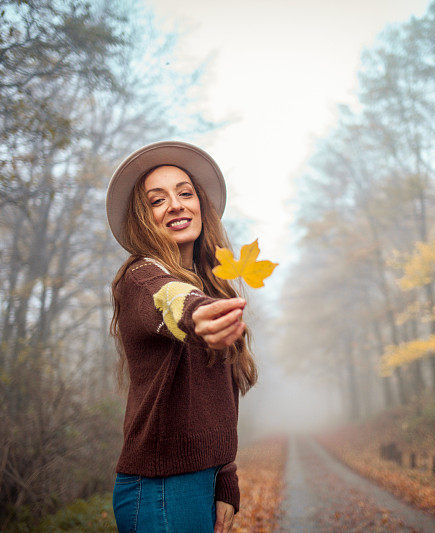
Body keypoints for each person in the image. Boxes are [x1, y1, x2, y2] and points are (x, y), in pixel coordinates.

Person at [105, 140, 258, 533]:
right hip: (158, 489)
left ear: (200, 205)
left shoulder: (215, 287)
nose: (175, 205)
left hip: (202, 482)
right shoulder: (141, 277)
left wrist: (226, 475)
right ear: (144, 219)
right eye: (157, 201)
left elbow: (222, 395)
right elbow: (171, 299)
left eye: (185, 193)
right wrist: (197, 315)